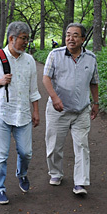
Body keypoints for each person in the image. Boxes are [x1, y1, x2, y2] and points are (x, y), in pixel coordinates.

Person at [0, 22, 41, 204]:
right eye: (23, 38)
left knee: (26, 152)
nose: (26, 43)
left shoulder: (29, 60)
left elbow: (33, 89)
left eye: (27, 39)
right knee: (1, 155)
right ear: (11, 38)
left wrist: (35, 111)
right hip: (1, 112)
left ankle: (22, 174)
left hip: (23, 114)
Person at [43, 23, 99, 195]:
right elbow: (46, 78)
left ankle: (80, 183)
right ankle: (55, 173)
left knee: (82, 145)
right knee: (54, 146)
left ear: (83, 39)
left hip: (81, 110)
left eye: (75, 35)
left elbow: (94, 82)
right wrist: (54, 97)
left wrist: (95, 103)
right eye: (68, 35)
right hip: (58, 110)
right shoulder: (55, 54)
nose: (70, 38)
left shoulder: (91, 58)